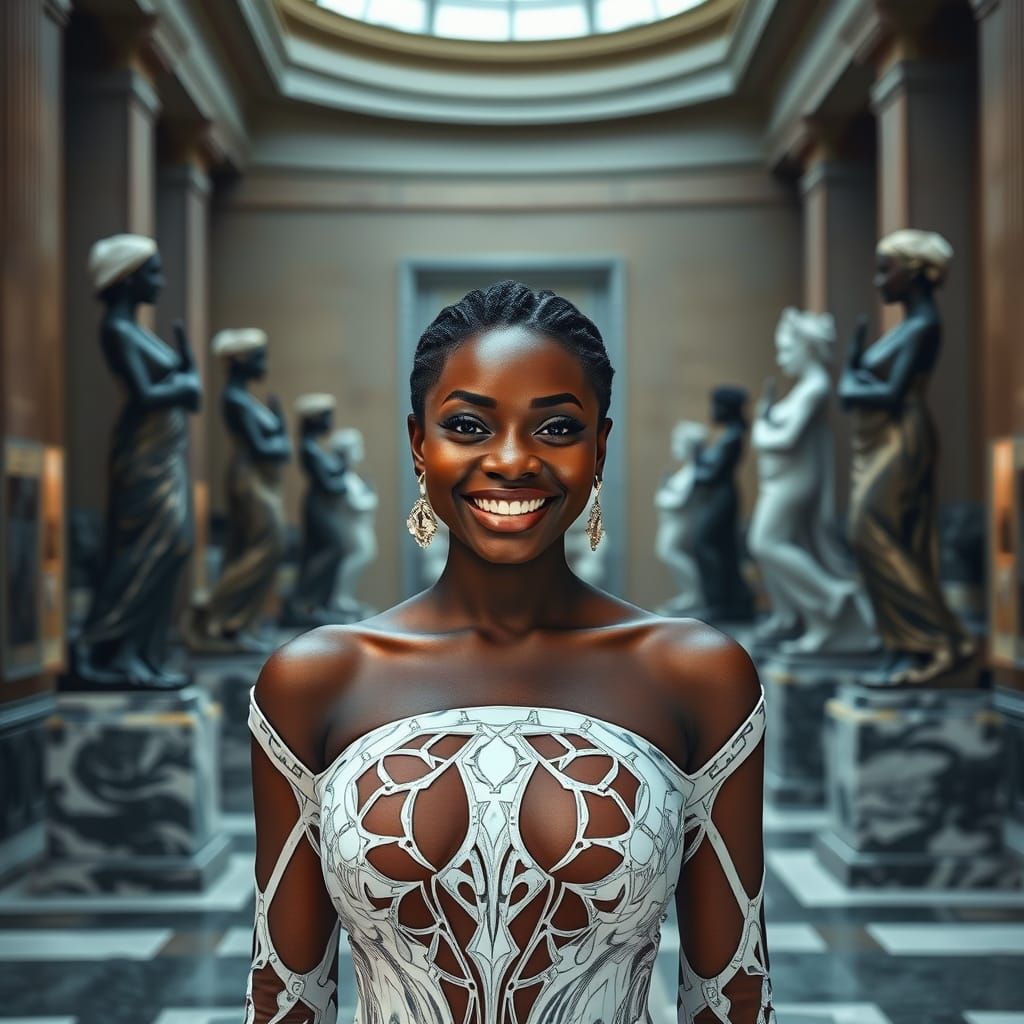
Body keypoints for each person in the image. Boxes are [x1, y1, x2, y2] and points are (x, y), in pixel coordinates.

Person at [244, 281, 775, 1024]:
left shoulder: (695, 675)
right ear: (418, 443)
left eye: (557, 428)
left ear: (601, 446)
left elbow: (734, 997)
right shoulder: (316, 680)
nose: (513, 461)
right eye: (468, 425)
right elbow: (283, 996)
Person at [838, 230, 974, 685]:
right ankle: (905, 648)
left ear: (914, 273)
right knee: (893, 540)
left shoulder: (923, 327)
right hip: (884, 439)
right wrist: (855, 371)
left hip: (902, 438)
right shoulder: (907, 327)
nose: (878, 280)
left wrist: (850, 379)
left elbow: (890, 392)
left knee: (872, 532)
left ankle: (937, 644)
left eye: (885, 269)